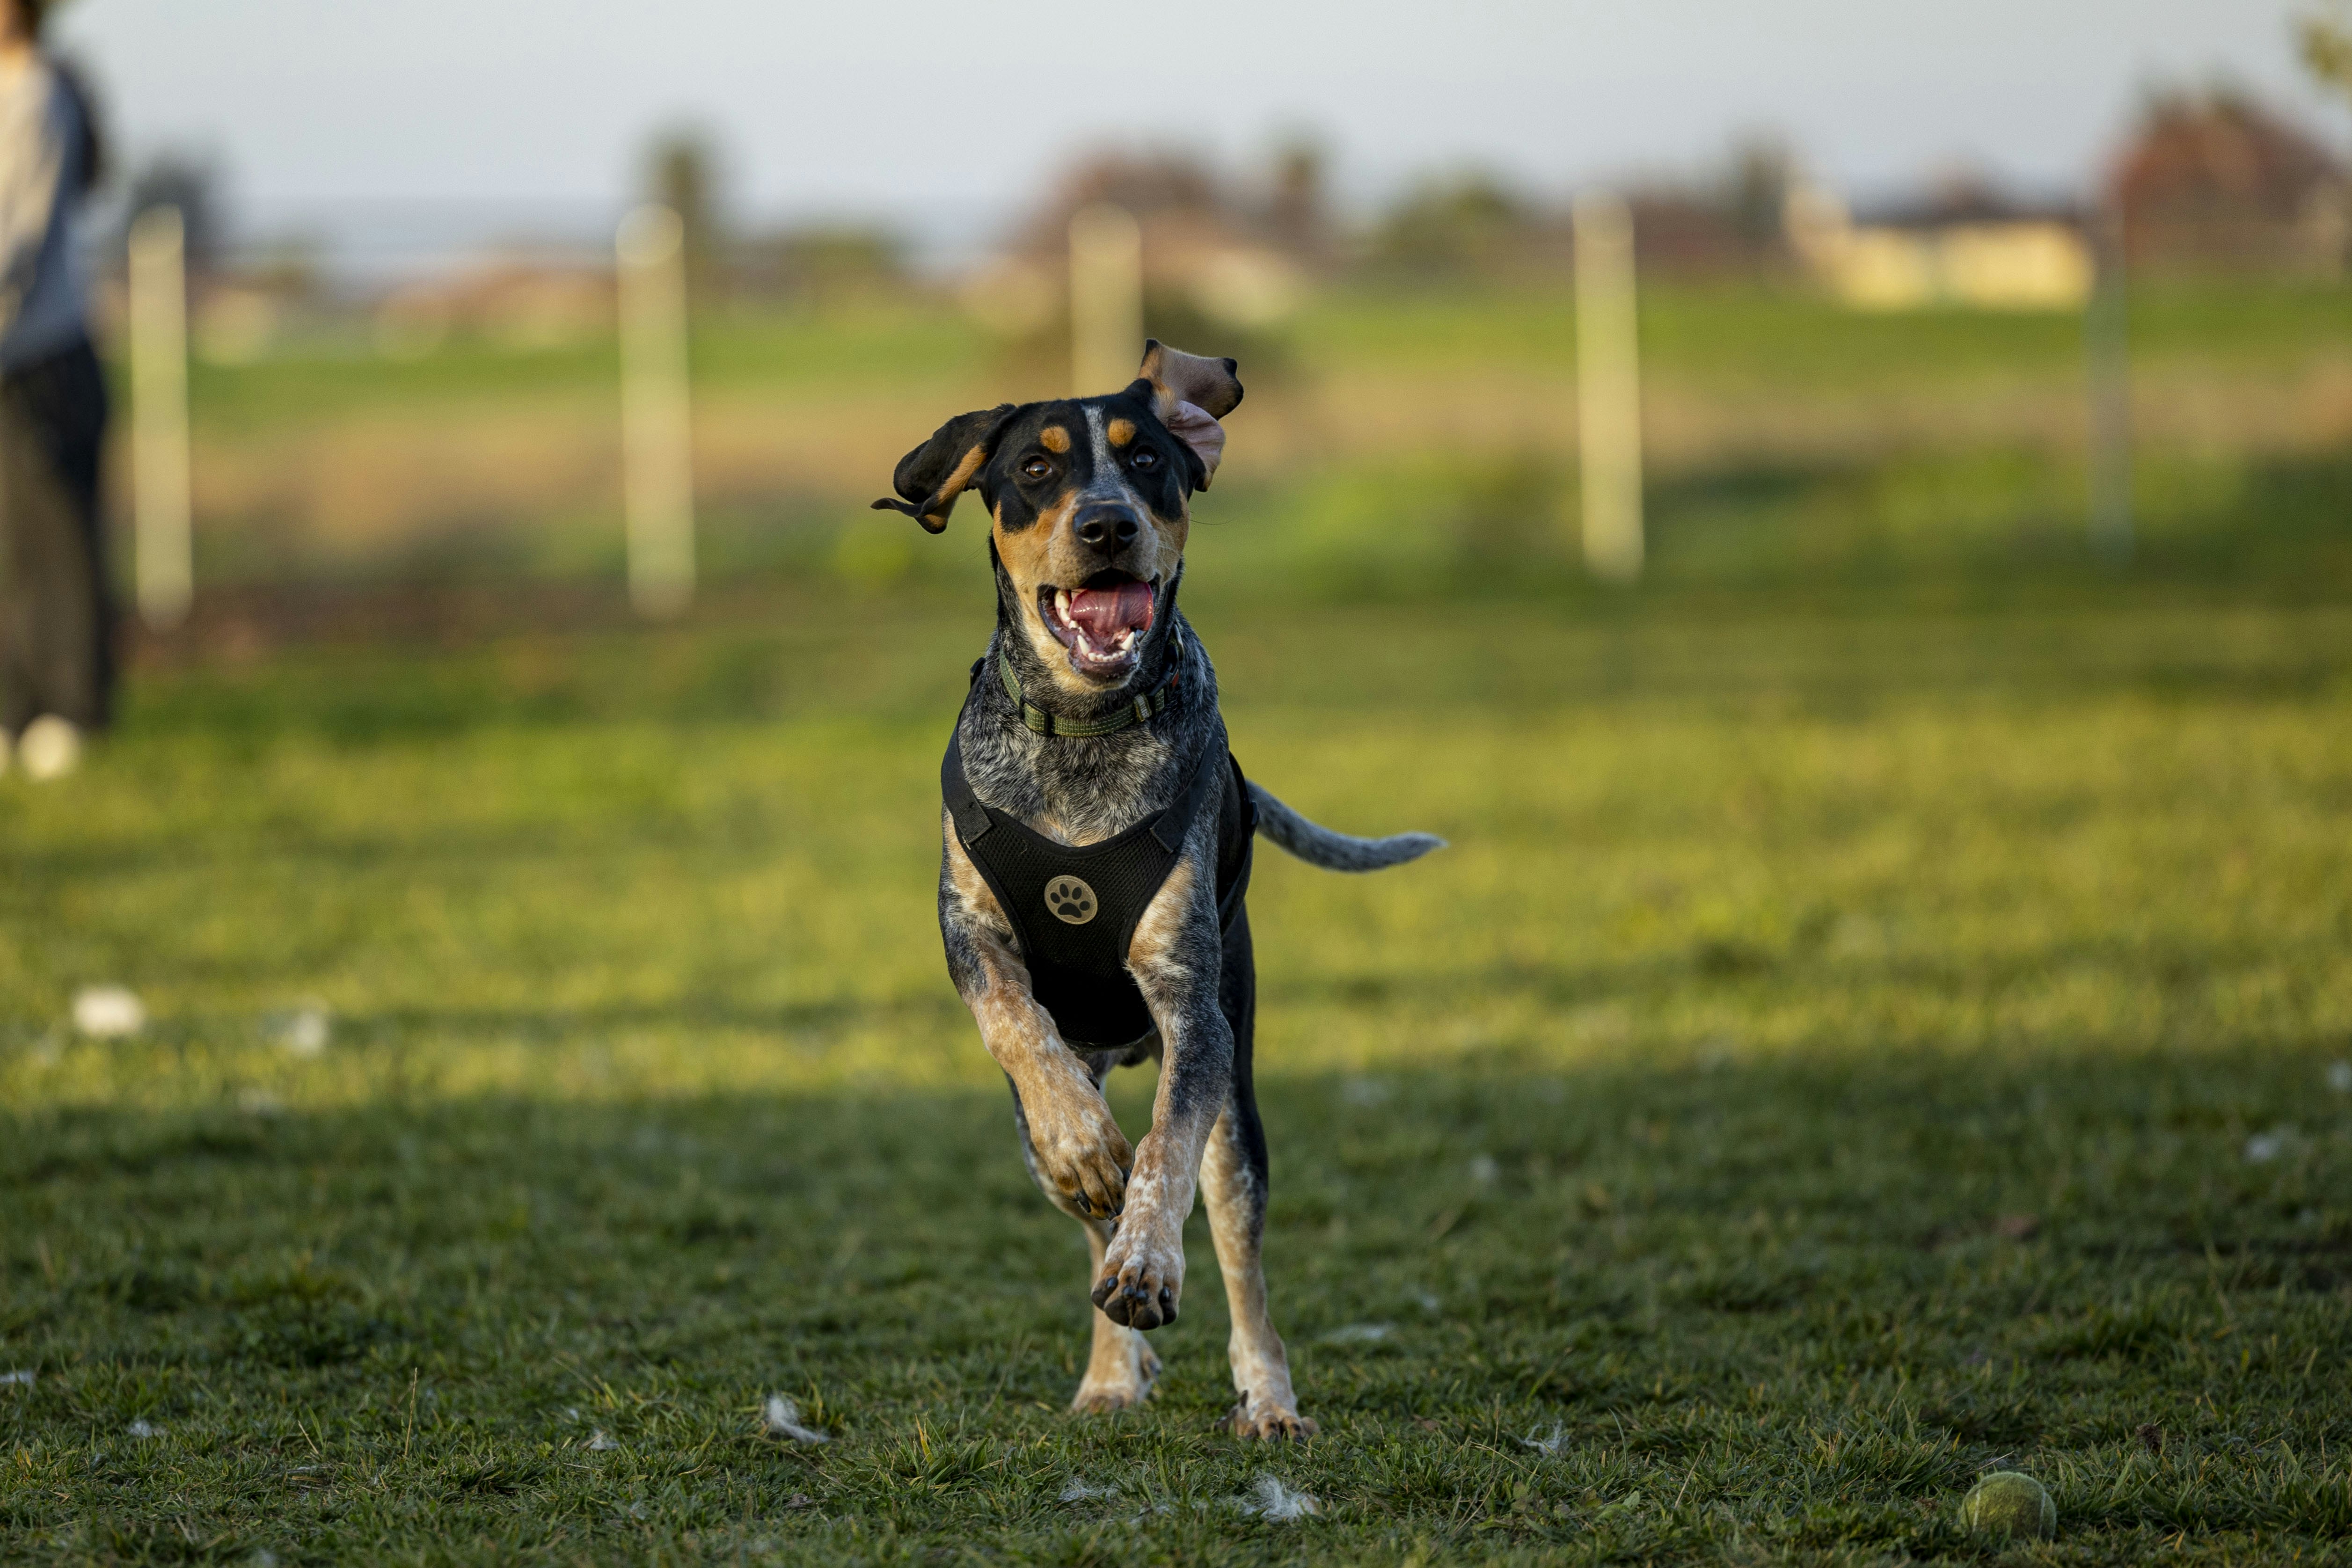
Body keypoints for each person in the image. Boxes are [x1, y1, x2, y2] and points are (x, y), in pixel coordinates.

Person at [0, 0, 106, 781]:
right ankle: (11, 710)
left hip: (42, 358)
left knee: (56, 541)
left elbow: (17, 244)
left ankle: (68, 714)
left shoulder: (39, 97)